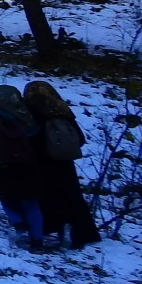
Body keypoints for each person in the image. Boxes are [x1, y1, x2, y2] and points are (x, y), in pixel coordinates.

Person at [25, 81, 101, 249]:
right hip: (65, 162)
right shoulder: (61, 108)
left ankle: (52, 228)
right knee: (73, 197)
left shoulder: (29, 110)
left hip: (42, 161)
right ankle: (83, 233)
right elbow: (79, 138)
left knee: (46, 196)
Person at [0, 78, 48, 250]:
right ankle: (37, 239)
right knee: (31, 201)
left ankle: (18, 222)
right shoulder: (27, 114)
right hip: (28, 163)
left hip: (1, 163)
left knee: (5, 196)